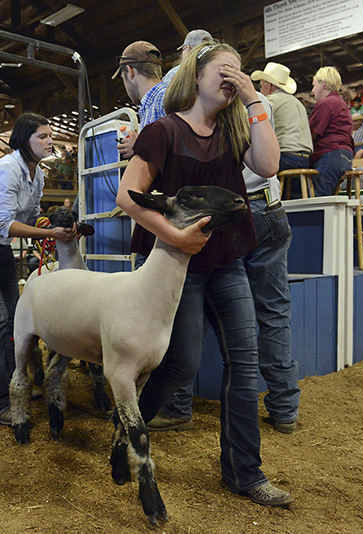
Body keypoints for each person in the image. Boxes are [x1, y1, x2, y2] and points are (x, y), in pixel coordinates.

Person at [115, 41, 292, 506]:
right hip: (178, 264)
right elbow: (127, 196)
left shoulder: (235, 131)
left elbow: (270, 166)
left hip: (227, 258)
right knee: (181, 364)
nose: (232, 78)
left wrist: (255, 99)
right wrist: (175, 238)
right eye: (224, 70)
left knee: (244, 360)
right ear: (196, 75)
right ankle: (128, 429)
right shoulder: (163, 131)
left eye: (240, 72)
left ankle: (244, 473)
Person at [148, 86, 301, 436]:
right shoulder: (253, 108)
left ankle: (177, 406)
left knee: (195, 308)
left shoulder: (207, 119)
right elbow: (268, 165)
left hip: (232, 213)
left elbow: (265, 164)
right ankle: (283, 407)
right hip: (268, 206)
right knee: (271, 312)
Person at [0, 112, 76, 426]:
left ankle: (13, 388)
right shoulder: (8, 170)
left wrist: (56, 222)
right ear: (25, 141)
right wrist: (50, 235)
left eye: (50, 136)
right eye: (43, 137)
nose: (50, 141)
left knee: (13, 314)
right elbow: (4, 224)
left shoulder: (38, 174)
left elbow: (32, 216)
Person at [252, 61, 312, 173]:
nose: (260, 91)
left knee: (255, 169)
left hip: (286, 157)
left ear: (268, 85)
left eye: (261, 87)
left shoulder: (271, 100)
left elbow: (251, 117)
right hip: (305, 158)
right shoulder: (298, 103)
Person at [113, 40, 167, 158]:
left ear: (130, 71)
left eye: (123, 78)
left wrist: (140, 146)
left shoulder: (161, 100)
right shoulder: (152, 104)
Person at [309, 66, 354, 196]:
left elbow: (312, 134)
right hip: (345, 155)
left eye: (314, 85)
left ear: (323, 84)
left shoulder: (325, 104)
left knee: (321, 199)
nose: (312, 91)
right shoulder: (341, 103)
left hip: (329, 154)